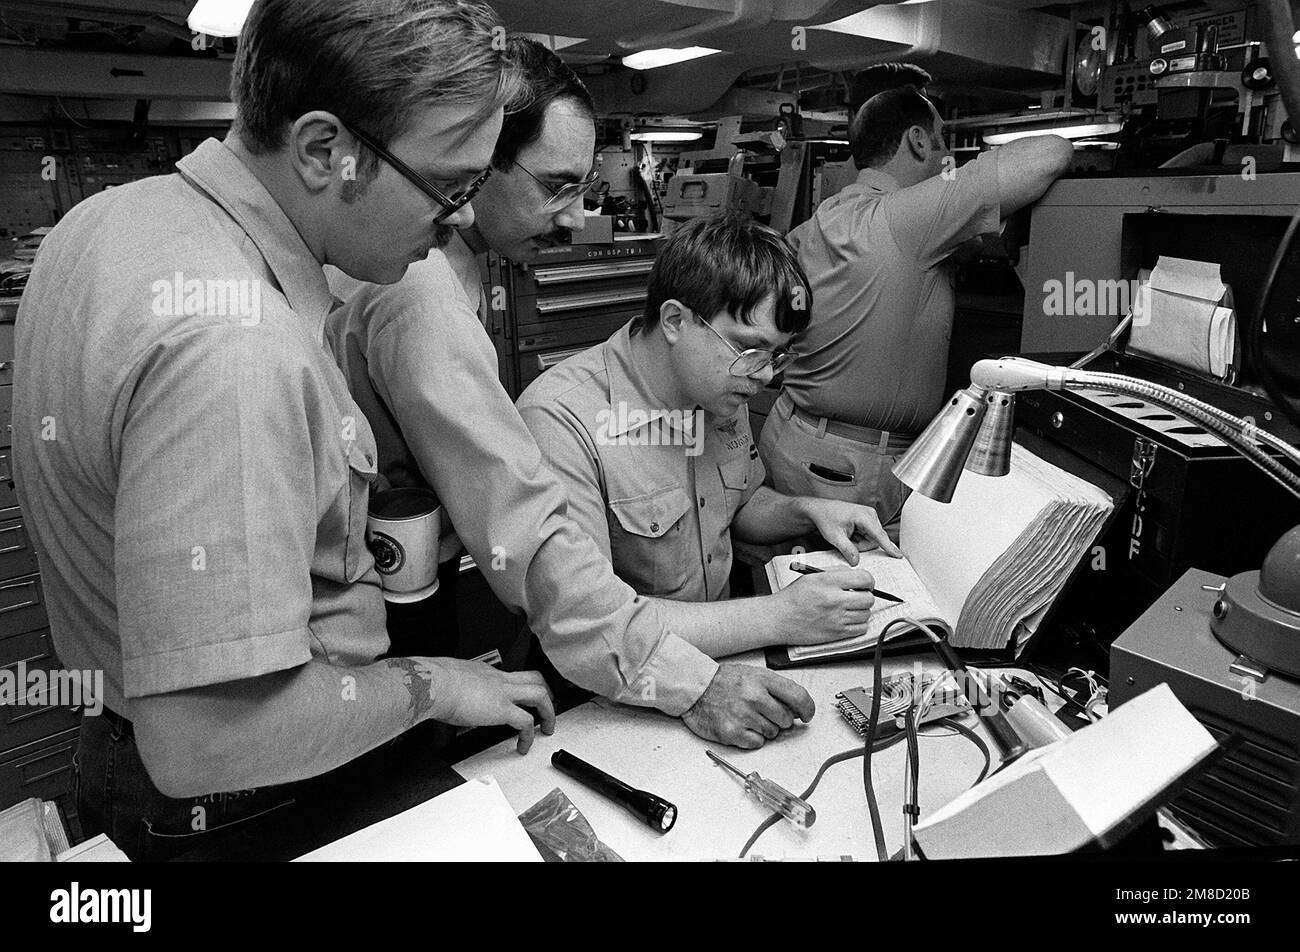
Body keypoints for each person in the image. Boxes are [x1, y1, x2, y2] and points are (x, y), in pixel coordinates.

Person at [12, 0, 556, 861]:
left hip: (120, 747)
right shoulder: (234, 349)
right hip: (245, 795)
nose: (458, 218)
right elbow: (206, 739)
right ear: (319, 150)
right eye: (448, 184)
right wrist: (431, 684)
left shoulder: (110, 221)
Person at [327, 39, 889, 752]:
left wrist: (804, 511)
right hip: (404, 621)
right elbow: (549, 571)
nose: (572, 217)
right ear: (478, 159)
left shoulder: (461, 266)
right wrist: (719, 664)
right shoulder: (425, 299)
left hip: (418, 591)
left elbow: (730, 510)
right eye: (555, 186)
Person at [516, 215, 904, 671]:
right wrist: (781, 617)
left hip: (722, 656)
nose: (763, 375)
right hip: (612, 682)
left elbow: (734, 506)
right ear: (676, 321)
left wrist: (805, 511)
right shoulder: (561, 421)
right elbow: (594, 624)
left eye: (777, 355)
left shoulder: (719, 387)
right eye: (749, 349)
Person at [760, 81, 1074, 542]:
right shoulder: (906, 219)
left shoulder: (827, 218)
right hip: (851, 468)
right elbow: (1051, 153)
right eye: (942, 138)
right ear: (918, 141)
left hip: (793, 435)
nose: (944, 149)